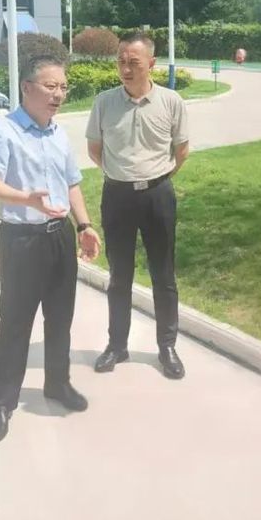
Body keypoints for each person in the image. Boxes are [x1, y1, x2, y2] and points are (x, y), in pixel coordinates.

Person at [0, 55, 102, 444]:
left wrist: (84, 226)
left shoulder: (58, 134)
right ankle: (2, 403)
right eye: (50, 86)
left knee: (60, 318)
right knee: (15, 323)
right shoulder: (3, 131)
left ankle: (57, 383)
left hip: (59, 236)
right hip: (22, 239)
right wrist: (25, 198)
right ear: (27, 87)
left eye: (63, 87)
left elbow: (72, 183)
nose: (58, 94)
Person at [87, 33, 190, 379]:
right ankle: (117, 345)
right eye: (121, 61)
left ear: (151, 64)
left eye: (133, 62)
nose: (126, 68)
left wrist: (154, 177)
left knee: (164, 275)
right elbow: (95, 149)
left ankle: (167, 347)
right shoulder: (104, 102)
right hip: (117, 196)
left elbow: (181, 151)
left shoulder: (171, 101)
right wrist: (123, 175)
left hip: (158, 196)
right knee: (119, 276)